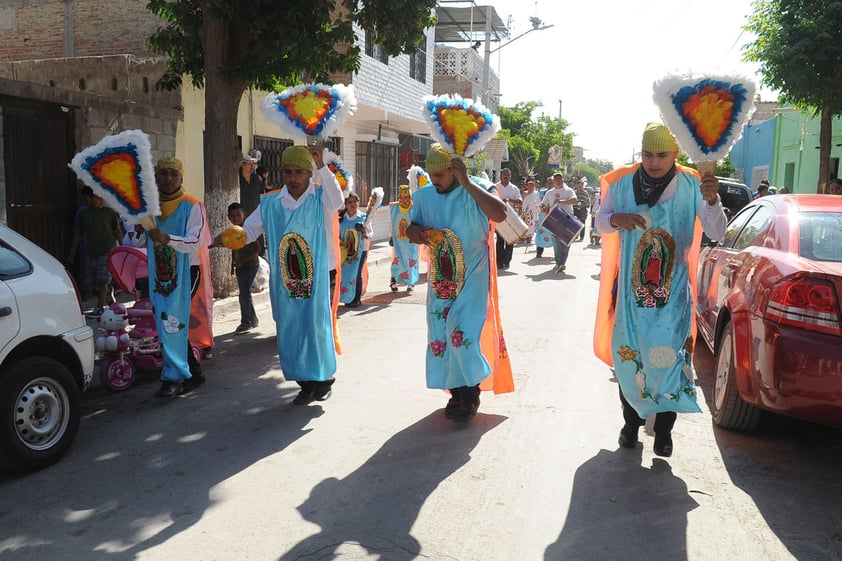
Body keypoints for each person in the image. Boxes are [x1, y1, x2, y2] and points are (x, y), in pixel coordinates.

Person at [593, 123, 727, 457]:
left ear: (676, 154)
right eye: (648, 154)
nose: (654, 162)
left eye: (662, 155)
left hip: (673, 301)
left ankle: (664, 432)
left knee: (667, 363)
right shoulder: (621, 183)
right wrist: (615, 220)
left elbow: (717, 230)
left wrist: (711, 201)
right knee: (629, 361)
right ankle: (630, 424)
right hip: (629, 299)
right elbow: (599, 220)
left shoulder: (693, 184)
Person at [226, 145, 345, 405]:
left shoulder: (320, 199)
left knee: (315, 327)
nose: (293, 178)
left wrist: (321, 166)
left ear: (308, 174)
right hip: (285, 281)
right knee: (291, 328)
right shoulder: (271, 202)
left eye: (300, 172)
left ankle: (323, 379)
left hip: (317, 278)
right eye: (288, 172)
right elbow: (249, 229)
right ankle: (305, 383)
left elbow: (338, 200)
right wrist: (231, 237)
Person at [407, 142, 514, 424]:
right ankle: (458, 395)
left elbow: (500, 215)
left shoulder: (479, 186)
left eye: (440, 175)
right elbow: (409, 229)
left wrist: (466, 182)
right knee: (441, 338)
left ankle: (471, 394)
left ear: (454, 171)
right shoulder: (425, 196)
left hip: (473, 277)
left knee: (461, 335)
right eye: (431, 176)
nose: (435, 181)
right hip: (441, 281)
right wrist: (420, 233)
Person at [133, 157, 208, 398]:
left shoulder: (192, 206)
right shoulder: (150, 209)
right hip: (160, 275)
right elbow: (134, 242)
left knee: (172, 321)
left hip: (187, 271)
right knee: (167, 322)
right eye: (163, 174)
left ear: (181, 178)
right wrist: (136, 230)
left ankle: (173, 377)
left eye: (173, 174)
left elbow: (195, 241)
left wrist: (167, 239)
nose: (168, 179)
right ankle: (192, 373)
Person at [68, 187, 122, 316]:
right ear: (91, 199)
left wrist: (122, 248)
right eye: (98, 197)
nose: (101, 200)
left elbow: (117, 231)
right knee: (95, 281)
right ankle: (109, 294)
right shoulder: (84, 215)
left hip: (108, 250)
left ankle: (100, 307)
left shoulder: (110, 213)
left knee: (102, 280)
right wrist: (72, 251)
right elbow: (78, 234)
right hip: (92, 250)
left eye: (102, 197)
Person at [225, 202, 261, 333]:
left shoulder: (247, 229)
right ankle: (253, 319)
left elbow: (257, 248)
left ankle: (246, 322)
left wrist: (243, 260)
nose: (236, 218)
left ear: (244, 215)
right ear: (228, 217)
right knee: (245, 293)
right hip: (240, 266)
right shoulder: (231, 232)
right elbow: (233, 248)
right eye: (232, 216)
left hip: (250, 265)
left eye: (238, 215)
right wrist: (233, 265)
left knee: (244, 294)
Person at [338, 191, 373, 308]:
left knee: (356, 274)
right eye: (349, 202)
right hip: (344, 251)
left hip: (359, 251)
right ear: (345, 204)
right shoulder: (340, 218)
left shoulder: (364, 218)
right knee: (344, 274)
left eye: (355, 201)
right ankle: (345, 297)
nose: (353, 204)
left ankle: (356, 299)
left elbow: (371, 233)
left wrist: (365, 233)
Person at [540, 172, 578, 274]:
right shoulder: (549, 193)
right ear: (553, 181)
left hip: (567, 218)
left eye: (560, 178)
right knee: (556, 242)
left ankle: (562, 263)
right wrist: (542, 208)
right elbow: (543, 204)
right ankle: (557, 262)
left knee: (566, 242)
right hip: (554, 219)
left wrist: (561, 201)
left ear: (563, 180)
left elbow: (574, 200)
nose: (558, 180)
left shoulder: (568, 191)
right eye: (556, 179)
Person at [389, 183, 419, 293]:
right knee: (398, 258)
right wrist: (391, 236)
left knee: (411, 258)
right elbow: (392, 223)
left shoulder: (414, 207)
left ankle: (410, 282)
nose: (405, 199)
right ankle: (393, 280)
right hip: (398, 240)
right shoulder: (395, 208)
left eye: (407, 197)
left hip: (411, 240)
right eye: (402, 197)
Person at [494, 168, 521, 269]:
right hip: (498, 216)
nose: (506, 177)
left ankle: (507, 261)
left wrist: (510, 200)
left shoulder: (514, 188)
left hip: (511, 217)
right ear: (500, 176)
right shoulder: (495, 187)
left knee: (510, 240)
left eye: (508, 175)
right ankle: (499, 262)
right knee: (500, 240)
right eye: (504, 175)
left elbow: (520, 201)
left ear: (510, 177)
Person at [520, 178, 541, 244]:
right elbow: (523, 202)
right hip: (525, 211)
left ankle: (529, 238)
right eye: (529, 185)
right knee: (524, 223)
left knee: (531, 224)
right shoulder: (524, 193)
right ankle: (523, 237)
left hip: (533, 212)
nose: (531, 186)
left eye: (532, 185)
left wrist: (533, 205)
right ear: (527, 186)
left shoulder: (536, 193)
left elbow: (538, 202)